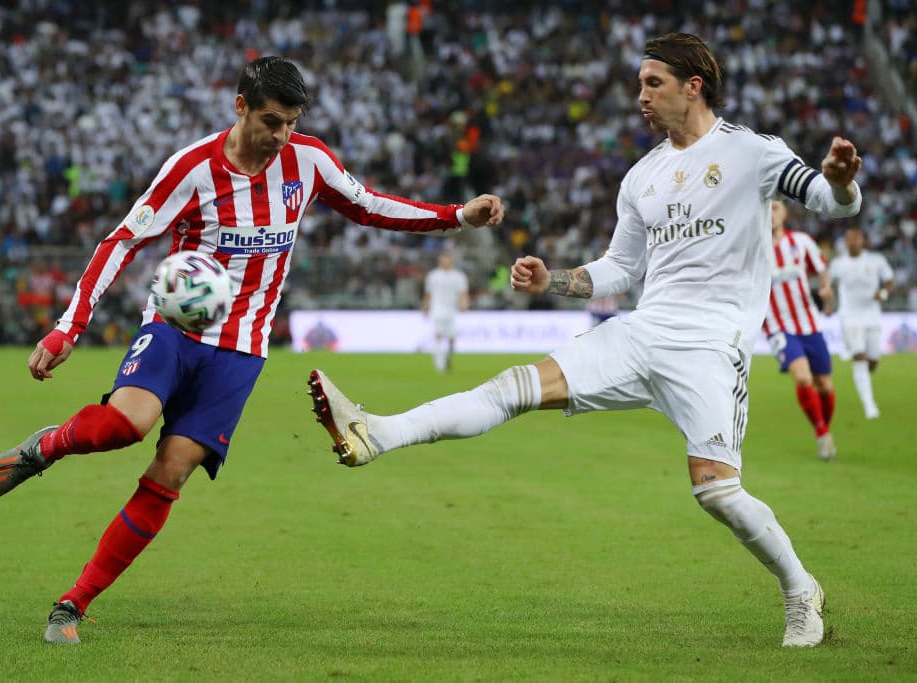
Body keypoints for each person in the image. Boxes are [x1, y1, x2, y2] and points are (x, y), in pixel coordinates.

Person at [307, 33, 862, 647]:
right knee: (512, 387)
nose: (640, 96)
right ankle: (378, 433)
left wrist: (840, 183)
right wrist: (556, 280)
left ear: (693, 86)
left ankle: (799, 588)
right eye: (640, 83)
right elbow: (621, 270)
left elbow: (828, 202)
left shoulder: (752, 153)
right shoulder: (642, 177)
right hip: (641, 332)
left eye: (653, 83)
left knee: (717, 492)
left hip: (711, 347)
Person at [0, 56, 504, 645]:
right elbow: (122, 240)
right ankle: (45, 446)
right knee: (124, 426)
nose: (281, 135)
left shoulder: (309, 160)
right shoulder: (192, 168)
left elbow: (370, 205)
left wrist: (456, 215)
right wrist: (68, 328)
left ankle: (73, 604)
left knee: (170, 472)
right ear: (241, 106)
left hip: (240, 351)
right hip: (175, 328)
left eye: (291, 123)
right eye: (272, 121)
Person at [762, 200, 838, 460]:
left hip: (810, 324)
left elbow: (822, 269)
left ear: (784, 213)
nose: (770, 213)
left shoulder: (801, 242)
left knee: (825, 386)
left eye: (775, 208)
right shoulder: (753, 248)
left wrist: (827, 295)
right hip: (777, 327)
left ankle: (824, 430)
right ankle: (821, 434)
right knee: (804, 378)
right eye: (766, 207)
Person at [827, 226, 894, 419]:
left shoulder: (876, 261)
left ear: (863, 241)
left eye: (856, 239)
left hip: (872, 315)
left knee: (872, 361)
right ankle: (869, 406)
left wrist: (883, 293)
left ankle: (868, 366)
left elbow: (889, 280)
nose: (853, 242)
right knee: (860, 356)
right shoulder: (839, 264)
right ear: (845, 242)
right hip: (849, 315)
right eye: (849, 239)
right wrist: (829, 304)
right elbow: (828, 284)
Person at [422, 251, 469, 373]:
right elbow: (428, 294)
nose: (444, 261)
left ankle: (447, 356)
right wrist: (425, 307)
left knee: (452, 337)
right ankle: (439, 364)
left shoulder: (459, 276)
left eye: (447, 259)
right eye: (442, 259)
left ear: (451, 260)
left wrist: (464, 303)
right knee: (438, 334)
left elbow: (463, 293)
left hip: (451, 309)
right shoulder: (433, 275)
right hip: (437, 308)